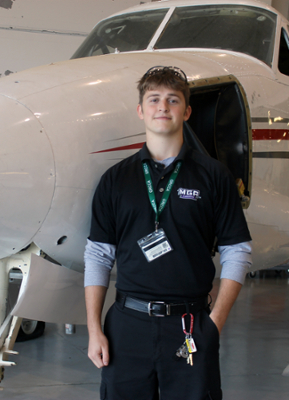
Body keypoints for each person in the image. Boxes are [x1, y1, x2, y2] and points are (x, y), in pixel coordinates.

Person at [84, 66, 252, 400]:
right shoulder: (115, 180)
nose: (163, 107)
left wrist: (214, 324)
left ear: (187, 111)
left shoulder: (215, 176)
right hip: (126, 327)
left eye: (173, 100)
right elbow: (98, 255)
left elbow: (238, 251)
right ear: (141, 110)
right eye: (154, 99)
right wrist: (93, 329)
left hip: (190, 326)